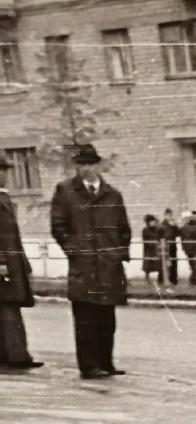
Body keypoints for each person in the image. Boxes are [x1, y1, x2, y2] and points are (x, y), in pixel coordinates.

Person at [49, 143, 131, 380]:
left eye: (90, 164)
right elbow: (59, 227)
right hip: (83, 266)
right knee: (86, 319)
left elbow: (124, 229)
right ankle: (89, 365)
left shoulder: (113, 194)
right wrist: (73, 250)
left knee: (107, 318)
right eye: (81, 165)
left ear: (99, 165)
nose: (85, 169)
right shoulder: (65, 191)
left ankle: (106, 362)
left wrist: (119, 253)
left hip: (108, 267)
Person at [0, 152, 42, 370]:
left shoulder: (5, 198)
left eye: (5, 170)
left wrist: (25, 264)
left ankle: (14, 355)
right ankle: (16, 356)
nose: (3, 175)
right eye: (0, 170)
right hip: (3, 265)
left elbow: (14, 237)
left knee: (10, 307)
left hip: (12, 263)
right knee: (7, 309)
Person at [179, 211, 196, 286]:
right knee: (195, 265)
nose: (184, 220)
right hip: (190, 249)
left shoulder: (192, 227)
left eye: (185, 218)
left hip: (193, 249)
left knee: (195, 265)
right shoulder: (185, 228)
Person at [159, 208, 180, 286]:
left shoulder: (173, 225)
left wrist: (174, 226)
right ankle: (163, 279)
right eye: (168, 215)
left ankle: (174, 280)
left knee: (173, 263)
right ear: (165, 215)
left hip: (173, 246)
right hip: (165, 246)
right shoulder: (162, 225)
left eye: (170, 215)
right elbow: (159, 235)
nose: (169, 217)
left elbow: (178, 233)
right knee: (165, 263)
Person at [141, 214, 163, 285]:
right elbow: (146, 239)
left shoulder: (157, 229)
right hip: (149, 250)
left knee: (159, 264)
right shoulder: (145, 230)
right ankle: (147, 278)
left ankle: (160, 279)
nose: (153, 223)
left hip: (156, 249)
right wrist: (153, 243)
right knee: (148, 265)